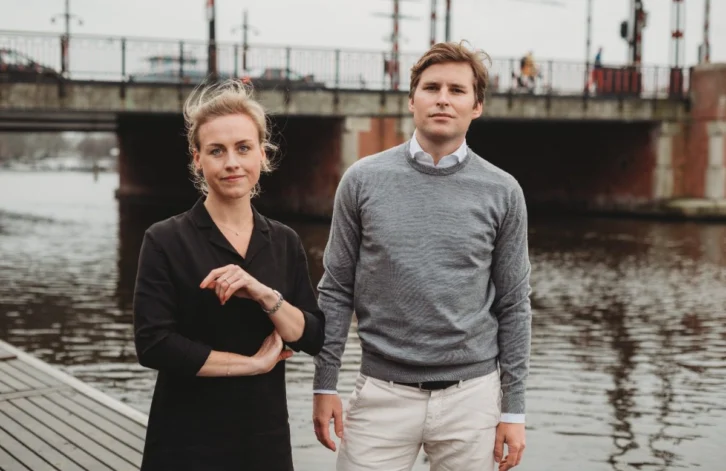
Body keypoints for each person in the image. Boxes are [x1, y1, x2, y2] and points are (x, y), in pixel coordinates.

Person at [312, 41, 532, 471]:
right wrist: (325, 384)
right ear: (412, 100)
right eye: (432, 88)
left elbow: (514, 304)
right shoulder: (362, 181)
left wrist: (514, 410)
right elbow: (335, 290)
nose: (443, 99)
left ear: (476, 106)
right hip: (380, 393)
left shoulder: (503, 191)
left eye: (457, 90)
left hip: (472, 399)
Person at [133, 79, 325, 471]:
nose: (232, 162)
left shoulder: (284, 241)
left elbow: (312, 335)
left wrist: (265, 295)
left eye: (243, 148)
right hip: (185, 441)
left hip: (264, 439)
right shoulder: (164, 239)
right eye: (216, 151)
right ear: (197, 159)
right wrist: (252, 365)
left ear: (262, 155)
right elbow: (153, 344)